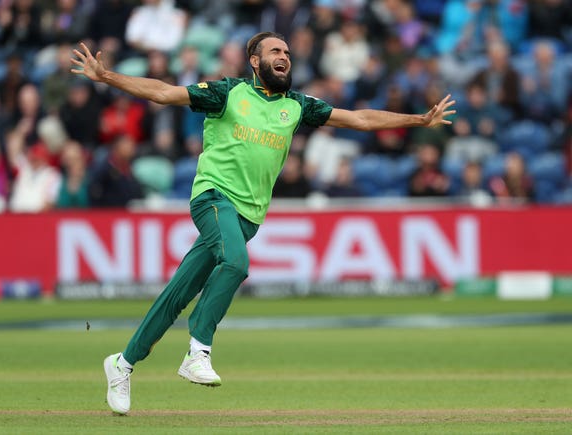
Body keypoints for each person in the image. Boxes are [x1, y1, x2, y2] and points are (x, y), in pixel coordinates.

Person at [70, 31, 455, 415]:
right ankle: (198, 350)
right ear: (255, 61)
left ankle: (122, 364)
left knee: (177, 296)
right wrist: (108, 77)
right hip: (213, 198)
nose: (284, 55)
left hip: (249, 216)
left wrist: (419, 120)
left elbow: (359, 118)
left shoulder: (297, 106)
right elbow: (163, 92)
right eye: (275, 51)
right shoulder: (227, 93)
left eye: (287, 51)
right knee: (236, 264)